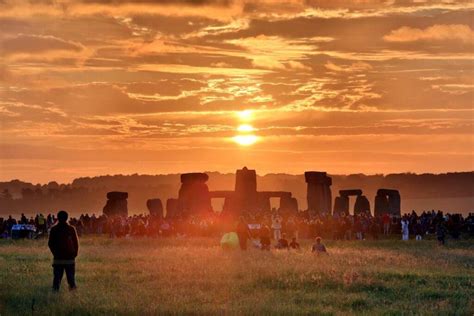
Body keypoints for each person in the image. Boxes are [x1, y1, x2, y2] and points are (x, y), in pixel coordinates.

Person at [48, 210, 79, 291]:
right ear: (67, 218)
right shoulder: (71, 229)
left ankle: (54, 296)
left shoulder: (54, 229)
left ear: (57, 218)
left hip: (58, 258)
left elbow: (50, 243)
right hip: (69, 258)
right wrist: (74, 254)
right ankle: (74, 296)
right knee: (71, 279)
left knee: (57, 280)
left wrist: (55, 253)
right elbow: (76, 243)